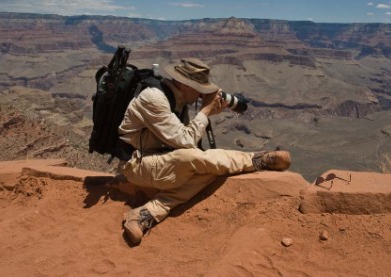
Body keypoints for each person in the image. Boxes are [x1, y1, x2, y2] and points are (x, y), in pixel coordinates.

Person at [118, 58, 291, 245]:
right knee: (194, 157)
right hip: (135, 164)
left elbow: (183, 141)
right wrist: (206, 111)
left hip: (159, 160)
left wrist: (208, 113)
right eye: (200, 89)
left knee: (209, 166)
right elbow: (186, 142)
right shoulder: (154, 98)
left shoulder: (178, 98)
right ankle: (257, 160)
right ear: (185, 85)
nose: (203, 94)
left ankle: (145, 213)